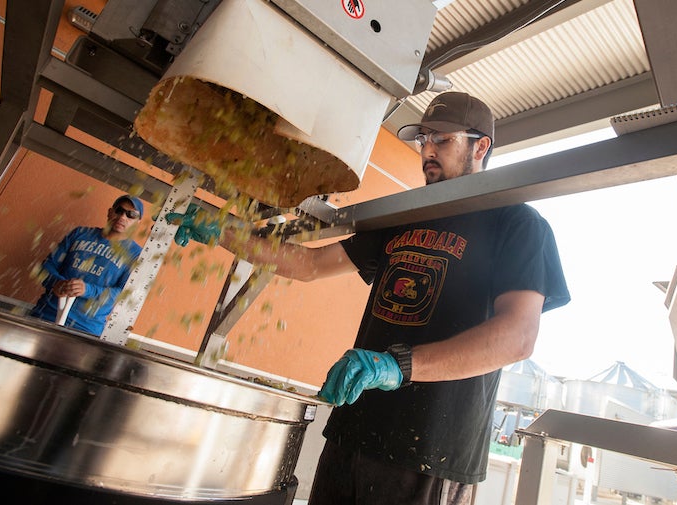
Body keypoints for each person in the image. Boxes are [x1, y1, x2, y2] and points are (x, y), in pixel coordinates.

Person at [178, 91, 570, 504]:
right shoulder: (408, 215)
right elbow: (309, 265)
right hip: (354, 429)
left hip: (429, 452)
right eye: (424, 140)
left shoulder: (517, 222)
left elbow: (517, 337)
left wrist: (399, 365)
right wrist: (224, 231)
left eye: (442, 140)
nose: (428, 150)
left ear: (481, 145)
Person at [30, 194, 144, 336]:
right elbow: (46, 267)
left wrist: (87, 290)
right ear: (110, 212)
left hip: (86, 330)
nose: (122, 217)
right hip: (44, 315)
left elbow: (123, 295)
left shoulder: (136, 255)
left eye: (131, 215)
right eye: (119, 210)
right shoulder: (80, 233)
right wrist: (56, 283)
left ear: (138, 222)